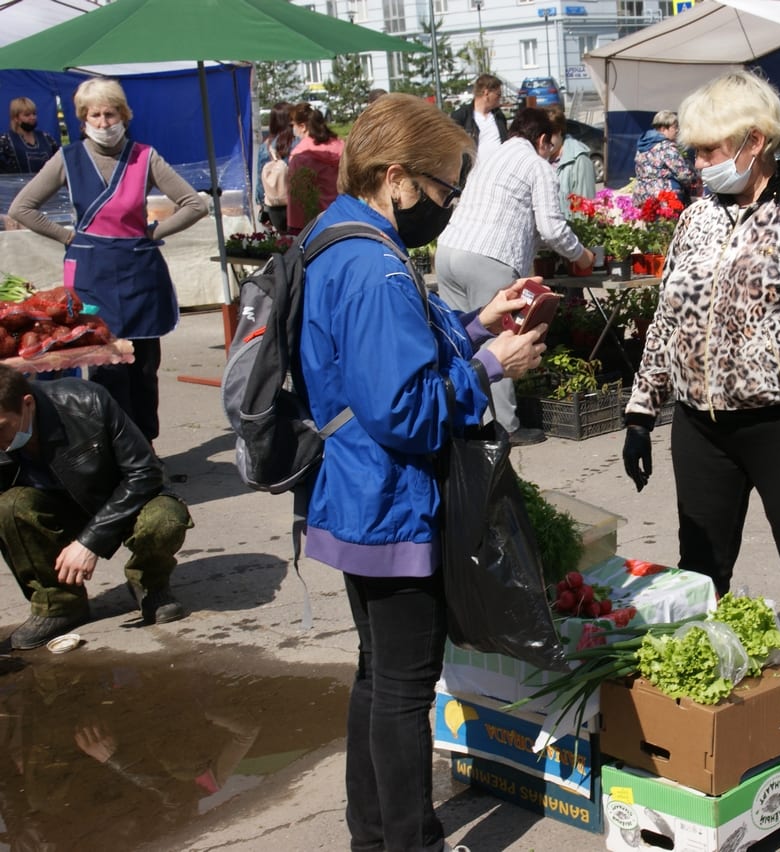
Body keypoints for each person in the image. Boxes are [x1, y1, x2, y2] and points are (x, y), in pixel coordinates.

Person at [297, 92, 546, 852]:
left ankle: (373, 834)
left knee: (379, 675)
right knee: (404, 690)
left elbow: (388, 360)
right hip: (388, 501)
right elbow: (405, 411)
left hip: (354, 494)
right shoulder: (374, 266)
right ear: (397, 176)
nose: (448, 204)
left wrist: (475, 322)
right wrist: (488, 363)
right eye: (443, 189)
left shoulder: (338, 237)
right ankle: (409, 840)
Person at [619, 70, 780, 762]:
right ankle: (701, 715)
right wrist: (643, 411)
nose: (697, 164)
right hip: (703, 426)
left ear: (754, 142)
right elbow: (669, 317)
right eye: (695, 151)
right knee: (702, 570)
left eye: (708, 151)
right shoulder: (698, 217)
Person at [8, 78, 205, 441]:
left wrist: (154, 232)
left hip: (140, 275)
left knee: (143, 370)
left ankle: (146, 447)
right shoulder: (67, 158)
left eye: (110, 113)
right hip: (92, 274)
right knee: (103, 367)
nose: (103, 122)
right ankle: (114, 448)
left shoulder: (145, 157)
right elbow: (23, 206)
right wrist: (68, 236)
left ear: (124, 116)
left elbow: (196, 203)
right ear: (83, 119)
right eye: (95, 115)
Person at [0, 365, 194, 650]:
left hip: (120, 501)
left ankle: (149, 583)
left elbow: (145, 473)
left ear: (26, 404)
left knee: (165, 519)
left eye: (1, 427)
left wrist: (89, 543)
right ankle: (58, 604)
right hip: (59, 509)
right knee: (8, 507)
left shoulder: (87, 402)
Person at [435, 106, 594, 447]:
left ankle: (464, 420)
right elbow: (552, 229)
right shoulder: (537, 166)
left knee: (458, 337)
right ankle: (506, 427)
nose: (552, 153)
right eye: (551, 146)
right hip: (490, 256)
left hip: (448, 252)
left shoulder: (489, 158)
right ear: (542, 140)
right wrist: (583, 255)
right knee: (500, 337)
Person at [286, 103, 344, 234]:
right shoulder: (341, 146)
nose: (293, 129)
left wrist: (294, 228)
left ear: (302, 126)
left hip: (316, 223)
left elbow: (296, 198)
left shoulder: (300, 156)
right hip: (345, 216)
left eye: (293, 125)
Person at [633, 110, 695, 204]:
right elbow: (683, 174)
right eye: (674, 127)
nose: (677, 130)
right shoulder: (666, 147)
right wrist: (692, 179)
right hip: (663, 198)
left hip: (641, 195)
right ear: (663, 129)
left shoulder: (642, 145)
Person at [547, 106, 596, 216]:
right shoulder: (542, 158)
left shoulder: (579, 161)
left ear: (559, 131)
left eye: (550, 135)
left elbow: (584, 209)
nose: (545, 141)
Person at [450, 74, 508, 163]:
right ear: (486, 93)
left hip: (498, 172)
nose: (500, 98)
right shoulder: (461, 116)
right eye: (498, 94)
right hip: (471, 174)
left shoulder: (499, 117)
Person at [256, 101, 296, 231]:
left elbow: (260, 180)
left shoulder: (265, 146)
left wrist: (262, 206)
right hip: (296, 202)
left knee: (283, 243)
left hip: (274, 203)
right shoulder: (297, 143)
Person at [0, 97, 60, 175]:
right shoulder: (5, 142)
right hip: (18, 186)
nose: (32, 117)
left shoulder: (46, 138)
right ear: (16, 118)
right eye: (27, 115)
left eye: (34, 114)